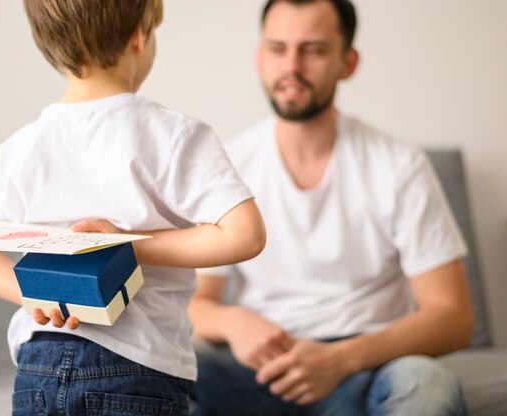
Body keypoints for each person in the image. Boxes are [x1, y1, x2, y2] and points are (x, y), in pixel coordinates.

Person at [0, 1, 266, 414]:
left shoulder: (24, 145)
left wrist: (41, 300)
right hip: (138, 365)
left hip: (38, 367)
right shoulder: (175, 134)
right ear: (139, 36)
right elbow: (245, 234)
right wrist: (129, 246)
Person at [189, 0, 474, 415]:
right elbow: (194, 303)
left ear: (348, 62)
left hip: (369, 368)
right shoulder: (227, 165)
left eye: (313, 50)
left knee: (426, 382)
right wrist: (233, 323)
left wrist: (339, 360)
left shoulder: (399, 165)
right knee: (175, 365)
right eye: (277, 48)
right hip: (259, 369)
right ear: (259, 58)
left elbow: (453, 316)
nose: (291, 67)